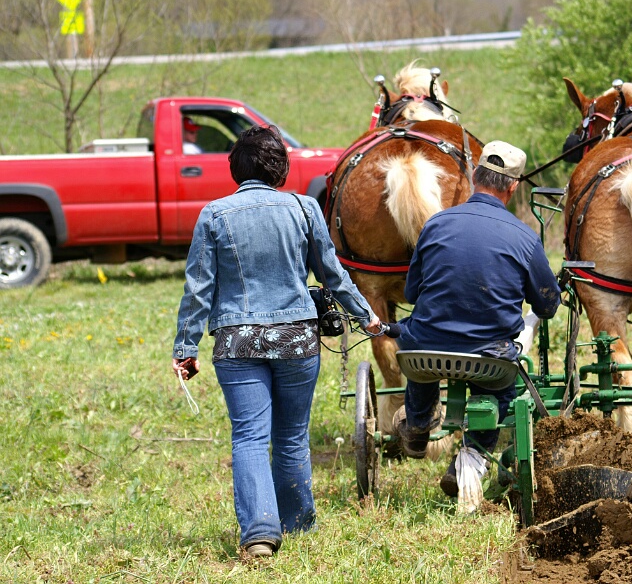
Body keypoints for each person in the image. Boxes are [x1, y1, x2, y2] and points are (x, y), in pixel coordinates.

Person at [171, 125, 381, 559]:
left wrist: (186, 349)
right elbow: (333, 275)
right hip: (297, 341)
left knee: (249, 437)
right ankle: (297, 523)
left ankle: (260, 534)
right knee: (291, 436)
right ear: (280, 168)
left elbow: (198, 289)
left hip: (237, 342)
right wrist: (368, 317)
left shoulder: (214, 215)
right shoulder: (304, 209)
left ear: (235, 169)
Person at [394, 140, 561, 497]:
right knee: (500, 390)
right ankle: (473, 454)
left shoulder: (435, 224)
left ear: (474, 176)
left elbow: (411, 293)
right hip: (488, 360)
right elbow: (547, 306)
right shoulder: (525, 237)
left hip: (425, 354)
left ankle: (419, 423)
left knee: (420, 342)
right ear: (513, 187)